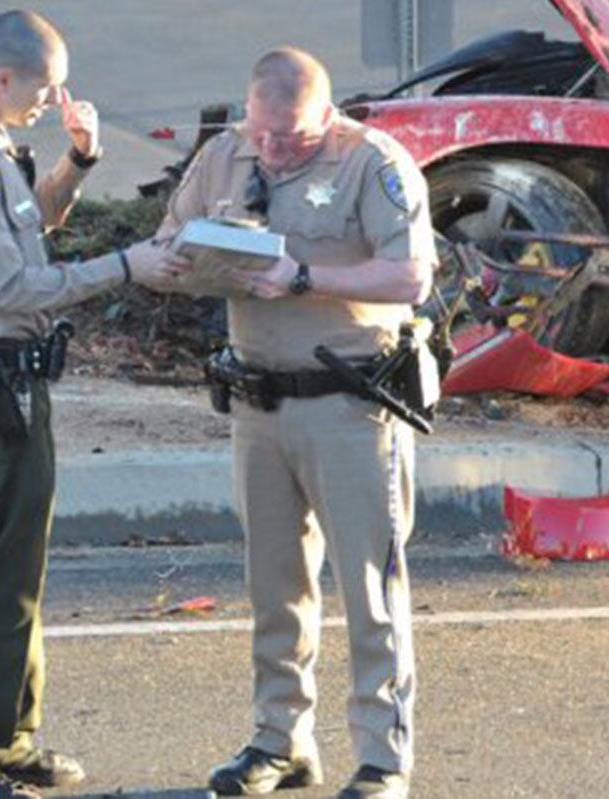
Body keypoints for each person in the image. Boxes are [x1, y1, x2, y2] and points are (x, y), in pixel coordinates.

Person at [0, 10, 184, 799]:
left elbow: (33, 225)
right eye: (44, 89)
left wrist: (80, 157)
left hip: (10, 381)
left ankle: (8, 738)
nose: (52, 100)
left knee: (19, 568)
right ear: (3, 79)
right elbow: (11, 286)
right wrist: (128, 264)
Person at [152, 47, 434, 799]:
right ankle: (279, 740)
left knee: (370, 588)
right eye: (263, 132)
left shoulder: (372, 162)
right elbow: (167, 236)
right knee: (275, 586)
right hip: (257, 402)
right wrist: (179, 262)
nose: (274, 149)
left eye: (294, 137)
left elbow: (411, 275)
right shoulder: (224, 154)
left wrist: (303, 276)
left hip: (347, 403)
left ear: (328, 114)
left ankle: (381, 757)